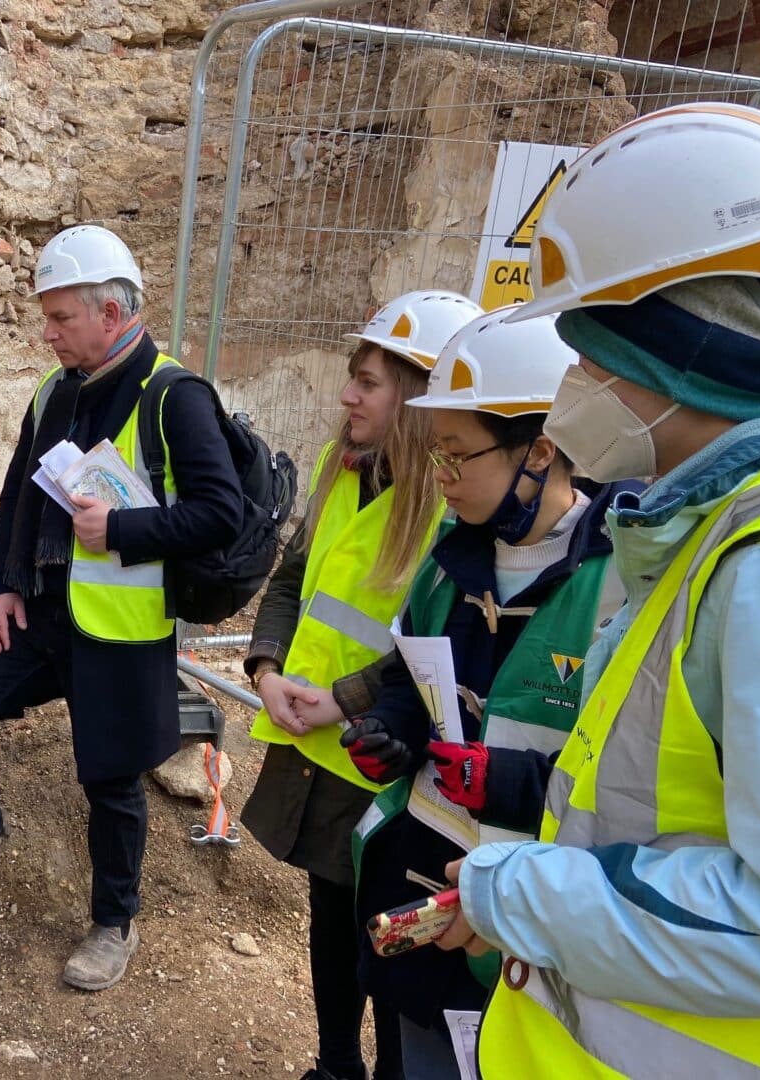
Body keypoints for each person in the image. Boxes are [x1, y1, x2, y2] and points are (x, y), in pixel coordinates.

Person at [433, 102, 760, 1077]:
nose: (570, 376)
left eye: (591, 350)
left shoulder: (753, 566)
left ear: (682, 352)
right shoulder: (698, 533)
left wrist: (522, 894)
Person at [0, 225, 242, 991]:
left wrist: (119, 528)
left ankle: (114, 923)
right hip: (43, 613)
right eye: (46, 318)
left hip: (119, 631)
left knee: (110, 781)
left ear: (112, 315)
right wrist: (5, 585)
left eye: (61, 319)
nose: (46, 333)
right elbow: (21, 492)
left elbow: (222, 513)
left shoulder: (173, 396)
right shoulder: (55, 388)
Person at [337, 306, 638, 1077]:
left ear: (540, 452)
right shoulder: (449, 562)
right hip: (418, 897)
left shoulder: (616, 592)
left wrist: (505, 782)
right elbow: (413, 675)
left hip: (519, 935)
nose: (442, 479)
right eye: (436, 455)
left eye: (459, 457)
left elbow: (625, 786)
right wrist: (390, 732)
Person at [241, 290, 481, 1080]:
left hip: (385, 762)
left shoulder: (451, 510)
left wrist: (343, 699)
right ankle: (336, 1065)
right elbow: (292, 580)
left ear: (413, 400)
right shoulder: (337, 467)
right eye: (354, 376)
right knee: (329, 925)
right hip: (316, 742)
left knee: (391, 943)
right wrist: (265, 668)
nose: (348, 394)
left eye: (369, 382)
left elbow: (442, 640)